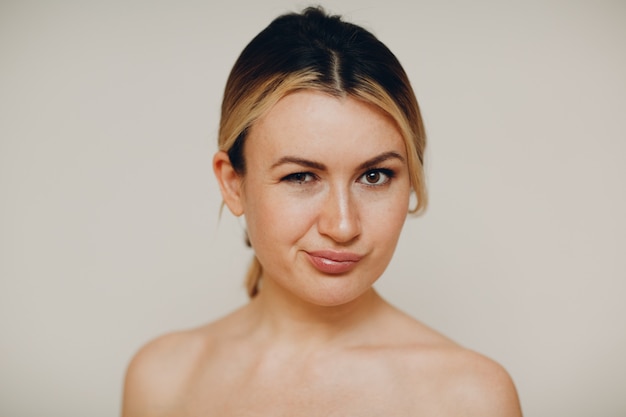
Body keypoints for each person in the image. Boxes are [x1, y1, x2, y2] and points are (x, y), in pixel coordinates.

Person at [122, 6, 522, 416]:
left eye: (375, 176)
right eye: (300, 177)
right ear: (232, 182)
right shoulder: (163, 380)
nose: (343, 225)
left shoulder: (471, 397)